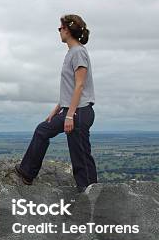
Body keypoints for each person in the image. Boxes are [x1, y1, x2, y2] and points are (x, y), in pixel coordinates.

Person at [15, 14, 97, 193]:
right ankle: (27, 173)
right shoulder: (72, 53)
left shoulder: (79, 52)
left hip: (79, 112)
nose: (59, 31)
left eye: (60, 28)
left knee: (80, 156)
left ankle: (91, 194)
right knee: (42, 130)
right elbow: (69, 88)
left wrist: (69, 115)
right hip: (72, 109)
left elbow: (79, 85)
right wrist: (57, 110)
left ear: (68, 30)